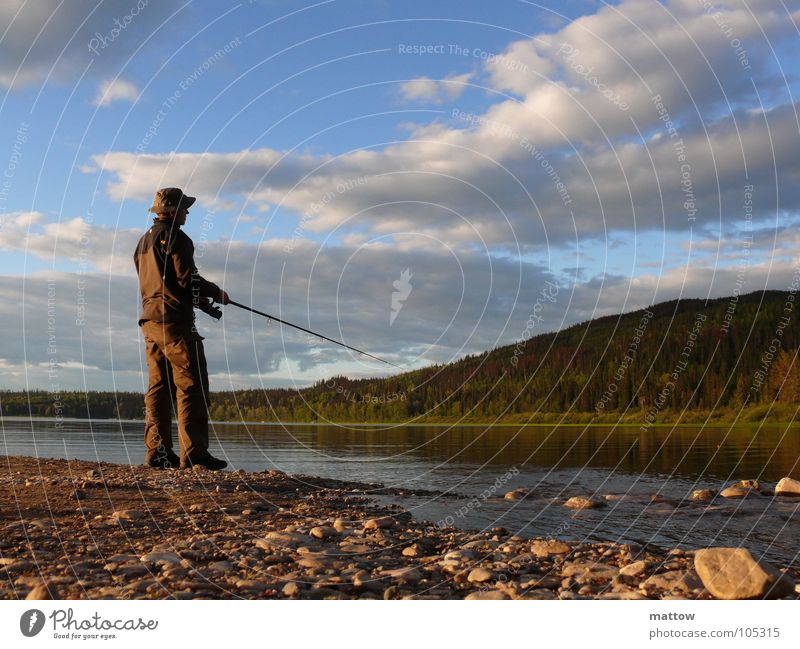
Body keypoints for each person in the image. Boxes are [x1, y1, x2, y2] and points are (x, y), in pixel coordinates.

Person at [133, 187, 229, 470]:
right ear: (173, 210)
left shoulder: (143, 242)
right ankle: (195, 454)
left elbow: (167, 284)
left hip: (150, 322)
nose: (187, 212)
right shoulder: (178, 238)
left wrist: (199, 300)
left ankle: (158, 453)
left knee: (159, 388)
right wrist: (216, 292)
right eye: (185, 208)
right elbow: (188, 280)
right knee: (192, 386)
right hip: (175, 324)